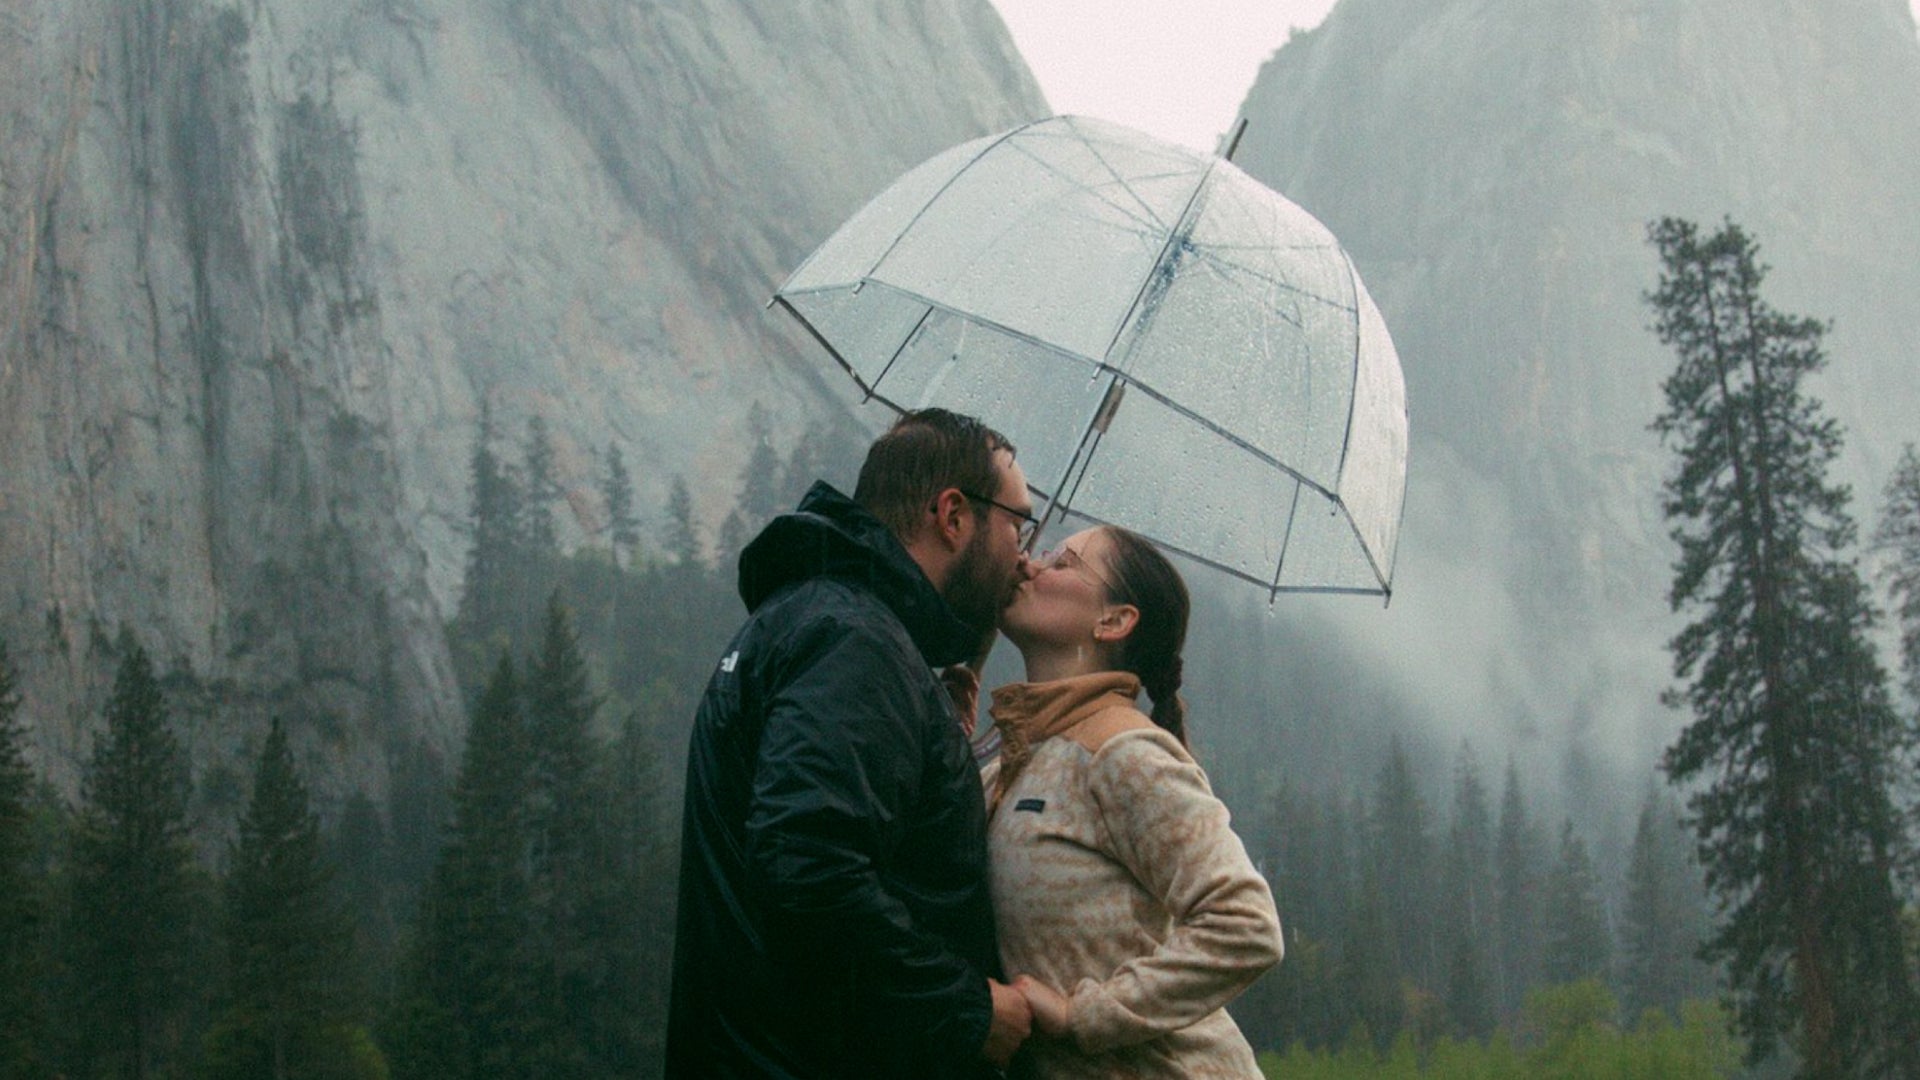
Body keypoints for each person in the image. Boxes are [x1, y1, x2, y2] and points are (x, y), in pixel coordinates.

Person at [665, 408, 1037, 1079]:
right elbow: (807, 866)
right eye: (1019, 523)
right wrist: (966, 1009)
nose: (1026, 555)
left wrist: (931, 730)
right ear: (953, 516)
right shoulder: (857, 644)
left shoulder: (826, 619)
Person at [979, 524, 1283, 1079]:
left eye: (1061, 562)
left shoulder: (1123, 751)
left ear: (1114, 621)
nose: (1029, 564)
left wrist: (1082, 1014)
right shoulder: (1018, 763)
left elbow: (1246, 925)